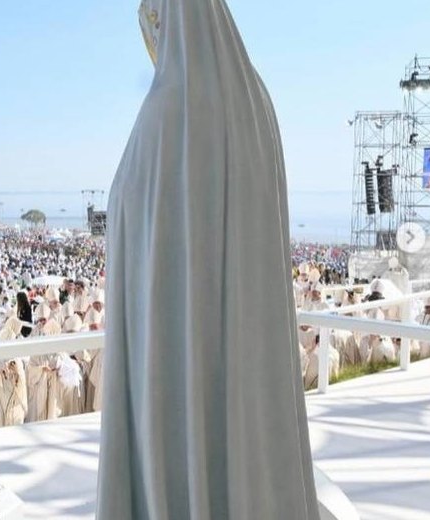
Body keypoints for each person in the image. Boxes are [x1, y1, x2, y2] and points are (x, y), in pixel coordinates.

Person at [97, 0, 318, 517]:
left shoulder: (167, 109)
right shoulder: (257, 103)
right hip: (250, 327)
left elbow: (131, 212)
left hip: (176, 334)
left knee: (183, 419)